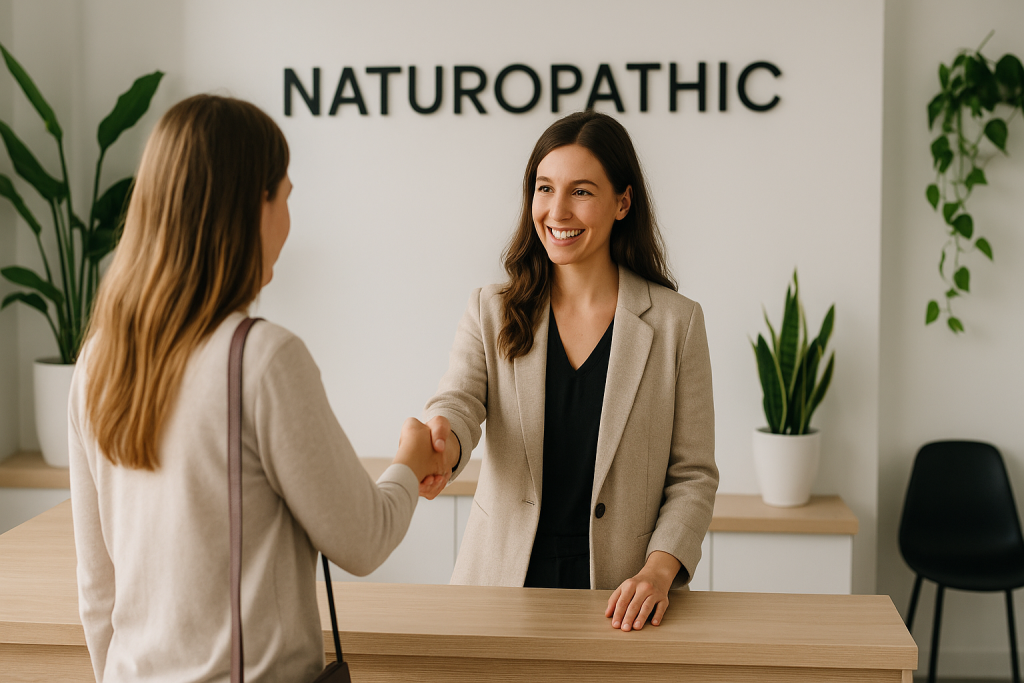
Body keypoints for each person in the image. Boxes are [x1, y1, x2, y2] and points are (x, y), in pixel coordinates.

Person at [69, 95, 444, 682]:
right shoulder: (262, 359)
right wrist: (409, 459)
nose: (289, 223)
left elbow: (97, 587)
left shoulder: (97, 360)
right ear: (253, 205)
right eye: (286, 198)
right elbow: (363, 538)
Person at [419, 110, 718, 632]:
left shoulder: (677, 323)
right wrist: (443, 438)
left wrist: (658, 570)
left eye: (581, 191)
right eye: (544, 188)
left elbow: (692, 476)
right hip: (500, 588)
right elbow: (459, 403)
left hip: (622, 601)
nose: (557, 210)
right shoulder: (491, 308)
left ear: (623, 202)